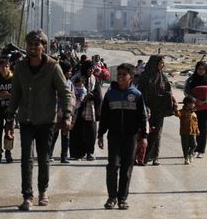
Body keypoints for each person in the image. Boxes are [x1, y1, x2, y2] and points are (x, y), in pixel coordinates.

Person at [5, 30, 72, 211]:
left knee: (44, 159)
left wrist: (67, 115)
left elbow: (65, 92)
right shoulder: (19, 67)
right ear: (26, 46)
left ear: (43, 46)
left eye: (37, 44)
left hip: (46, 121)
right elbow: (15, 95)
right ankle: (27, 196)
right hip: (26, 120)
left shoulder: (52, 67)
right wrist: (9, 120)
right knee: (26, 159)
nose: (33, 48)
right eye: (30, 44)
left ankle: (43, 191)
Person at [98, 63, 148, 210]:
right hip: (113, 136)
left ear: (131, 77)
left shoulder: (137, 95)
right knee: (113, 166)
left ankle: (122, 199)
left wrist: (144, 137)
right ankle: (111, 197)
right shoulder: (110, 94)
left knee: (126, 169)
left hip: (131, 137)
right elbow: (104, 116)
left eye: (123, 75)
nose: (120, 77)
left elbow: (143, 118)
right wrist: (100, 134)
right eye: (118, 74)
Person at [137, 55, 174, 166]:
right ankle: (142, 157)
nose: (163, 65)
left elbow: (168, 90)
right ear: (154, 63)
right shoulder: (145, 76)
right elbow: (140, 92)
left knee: (157, 133)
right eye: (161, 63)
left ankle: (154, 157)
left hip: (159, 110)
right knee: (146, 133)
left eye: (163, 63)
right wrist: (145, 106)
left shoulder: (163, 77)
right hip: (147, 109)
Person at [70, 60, 102, 161]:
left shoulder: (94, 79)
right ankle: (77, 153)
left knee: (91, 132)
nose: (91, 70)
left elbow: (98, 92)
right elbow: (70, 91)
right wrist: (81, 97)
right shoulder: (76, 78)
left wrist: (91, 95)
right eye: (89, 68)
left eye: (93, 68)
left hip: (90, 109)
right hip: (78, 108)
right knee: (77, 131)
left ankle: (89, 153)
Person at [184, 61, 207, 158]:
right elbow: (186, 92)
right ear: (196, 69)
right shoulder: (190, 80)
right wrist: (195, 100)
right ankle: (193, 149)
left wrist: (205, 101)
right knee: (192, 129)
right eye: (199, 69)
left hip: (206, 109)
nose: (201, 71)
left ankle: (201, 150)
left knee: (203, 130)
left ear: (206, 70)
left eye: (203, 69)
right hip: (193, 108)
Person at [49, 60, 76, 164]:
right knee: (53, 134)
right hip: (56, 112)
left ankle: (64, 156)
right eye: (68, 71)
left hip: (67, 112)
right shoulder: (55, 81)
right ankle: (49, 154)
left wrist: (70, 111)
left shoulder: (70, 83)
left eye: (71, 71)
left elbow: (73, 97)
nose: (70, 73)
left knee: (66, 135)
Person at [175, 96, 199, 165]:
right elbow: (177, 114)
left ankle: (190, 154)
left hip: (192, 132)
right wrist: (175, 108)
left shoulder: (194, 113)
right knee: (185, 146)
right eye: (191, 103)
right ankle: (186, 158)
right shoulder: (182, 112)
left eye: (193, 103)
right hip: (184, 132)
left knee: (194, 145)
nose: (193, 105)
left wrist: (197, 131)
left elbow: (196, 123)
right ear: (186, 104)